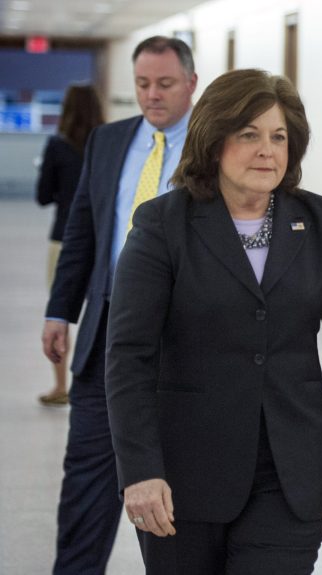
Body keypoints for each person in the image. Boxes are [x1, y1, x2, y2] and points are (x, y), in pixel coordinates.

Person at [104, 68, 322, 574]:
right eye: (249, 134)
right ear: (214, 141)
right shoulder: (162, 225)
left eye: (279, 137)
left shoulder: (321, 224)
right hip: (183, 478)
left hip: (291, 472)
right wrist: (140, 470)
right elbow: (129, 357)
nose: (267, 151)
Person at [41, 36, 197, 574]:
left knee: (181, 499)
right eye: (142, 85)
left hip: (183, 343)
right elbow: (82, 232)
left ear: (191, 84)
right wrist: (60, 310)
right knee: (86, 484)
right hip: (105, 332)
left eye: (165, 84)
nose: (152, 95)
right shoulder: (109, 141)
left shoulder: (216, 144)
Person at [36, 84, 104, 406]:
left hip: (64, 238)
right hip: (104, 240)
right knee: (104, 311)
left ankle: (61, 385)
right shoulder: (108, 144)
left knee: (62, 311)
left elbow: (42, 196)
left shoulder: (57, 146)